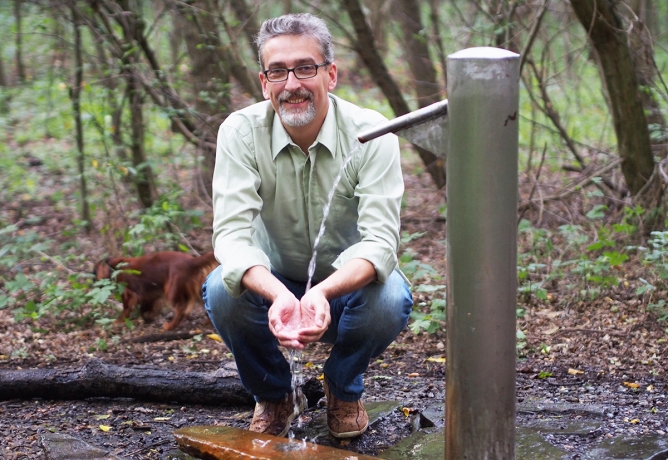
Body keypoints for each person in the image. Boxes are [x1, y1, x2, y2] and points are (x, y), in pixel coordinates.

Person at [202, 13, 413, 439]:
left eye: (305, 68)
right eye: (278, 71)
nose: (292, 84)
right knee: (220, 292)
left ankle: (343, 388)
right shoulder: (241, 133)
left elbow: (380, 242)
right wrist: (281, 294)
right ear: (264, 83)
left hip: (346, 291)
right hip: (270, 286)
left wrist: (320, 292)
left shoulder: (373, 134)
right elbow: (231, 237)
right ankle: (274, 394)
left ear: (330, 74)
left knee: (391, 297)